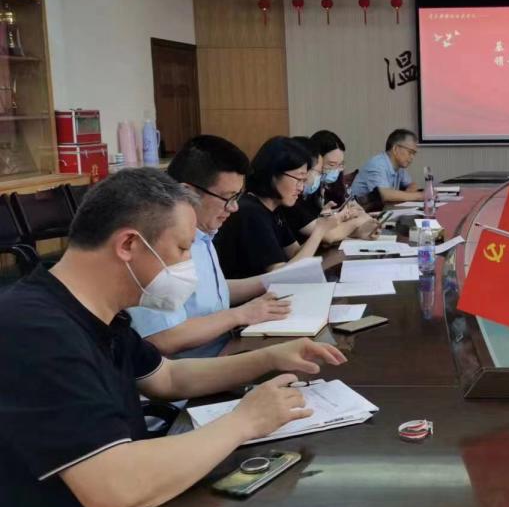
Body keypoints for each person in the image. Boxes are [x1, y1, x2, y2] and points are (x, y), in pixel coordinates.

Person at [0, 168, 345, 507]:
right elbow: (114, 488)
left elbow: (168, 378)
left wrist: (270, 357)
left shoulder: (96, 311)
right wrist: (245, 421)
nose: (188, 266)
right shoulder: (34, 331)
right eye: (182, 249)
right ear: (128, 244)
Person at [128, 135, 292, 358]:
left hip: (226, 347)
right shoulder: (157, 244)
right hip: (197, 368)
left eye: (237, 197)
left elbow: (211, 292)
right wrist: (240, 315)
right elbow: (164, 338)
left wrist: (272, 282)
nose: (233, 208)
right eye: (227, 198)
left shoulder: (203, 232)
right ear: (188, 193)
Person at [214, 136, 350, 279]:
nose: (301, 187)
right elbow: (281, 275)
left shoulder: (274, 209)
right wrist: (320, 231)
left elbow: (295, 254)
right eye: (298, 179)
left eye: (304, 180)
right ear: (274, 174)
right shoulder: (250, 212)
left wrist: (321, 227)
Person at [281, 136, 377, 244]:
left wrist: (360, 230)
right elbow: (328, 235)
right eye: (331, 165)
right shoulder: (292, 201)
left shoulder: (316, 192)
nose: (336, 170)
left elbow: (323, 233)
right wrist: (356, 222)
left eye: (340, 165)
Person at [349, 128, 423, 203]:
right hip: (358, 208)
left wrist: (410, 190)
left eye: (414, 153)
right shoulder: (377, 165)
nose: (412, 157)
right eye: (410, 152)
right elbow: (384, 195)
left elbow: (411, 184)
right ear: (395, 149)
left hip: (380, 208)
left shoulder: (399, 167)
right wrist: (420, 195)